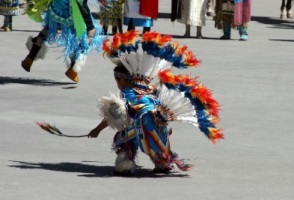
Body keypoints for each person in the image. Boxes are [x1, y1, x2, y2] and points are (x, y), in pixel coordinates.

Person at [88, 31, 223, 175]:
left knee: (122, 138)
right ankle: (161, 162)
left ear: (122, 80)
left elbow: (115, 113)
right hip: (159, 123)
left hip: (144, 122)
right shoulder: (150, 88)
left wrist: (97, 129)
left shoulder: (127, 92)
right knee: (155, 135)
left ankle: (125, 164)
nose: (117, 84)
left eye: (117, 81)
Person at [21, 0, 106, 82]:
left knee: (47, 30)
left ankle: (29, 59)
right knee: (90, 33)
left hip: (56, 10)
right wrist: (90, 26)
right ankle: (73, 69)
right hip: (72, 11)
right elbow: (82, 3)